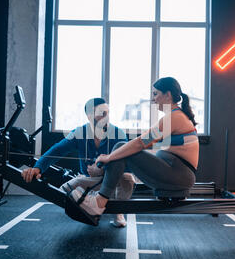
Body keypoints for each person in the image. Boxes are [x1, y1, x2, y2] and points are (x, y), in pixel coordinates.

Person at [70, 77, 199, 216]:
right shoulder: (174, 117)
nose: (153, 99)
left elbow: (141, 143)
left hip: (179, 175)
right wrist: (112, 159)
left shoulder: (175, 117)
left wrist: (109, 157)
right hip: (174, 172)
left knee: (121, 147)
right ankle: (99, 198)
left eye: (155, 94)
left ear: (168, 95)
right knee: (122, 152)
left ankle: (99, 201)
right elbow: (147, 147)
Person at [21, 98, 134, 227]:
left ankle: (118, 213)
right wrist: (38, 168)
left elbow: (127, 164)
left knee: (128, 179)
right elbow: (57, 150)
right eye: (102, 113)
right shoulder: (78, 132)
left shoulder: (118, 133)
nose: (106, 117)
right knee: (64, 190)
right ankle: (91, 197)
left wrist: (103, 170)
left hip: (112, 182)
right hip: (88, 181)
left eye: (107, 113)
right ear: (90, 116)